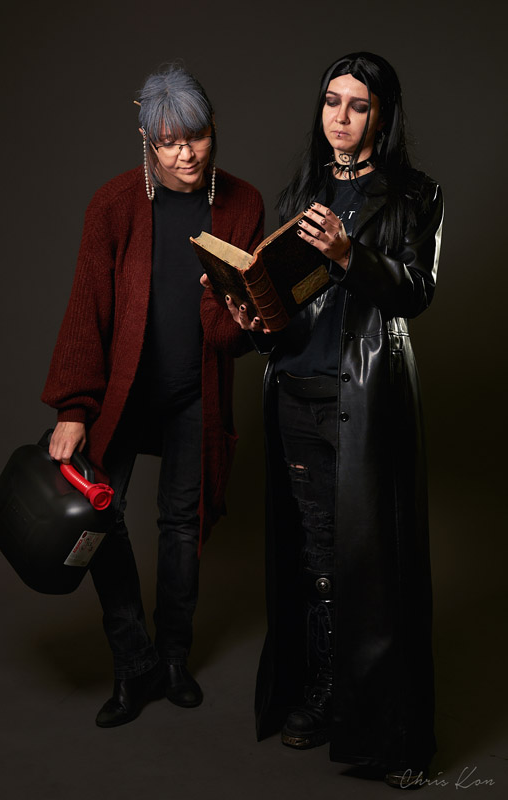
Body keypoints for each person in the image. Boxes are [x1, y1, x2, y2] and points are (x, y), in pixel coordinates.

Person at [202, 52, 443, 788]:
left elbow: (416, 290)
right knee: (315, 559)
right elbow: (292, 308)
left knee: (372, 564)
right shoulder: (302, 192)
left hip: (362, 398)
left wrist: (348, 253)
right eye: (331, 102)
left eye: (357, 105)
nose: (340, 117)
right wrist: (252, 319)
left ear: (381, 114)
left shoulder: (414, 193)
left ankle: (389, 732)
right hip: (295, 394)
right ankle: (324, 693)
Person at [42, 64, 264, 728]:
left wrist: (241, 316)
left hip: (197, 392)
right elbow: (86, 309)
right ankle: (132, 662)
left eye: (195, 137)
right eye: (169, 142)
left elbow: (233, 333)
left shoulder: (242, 205)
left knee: (181, 525)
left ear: (213, 128)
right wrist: (73, 408)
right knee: (100, 518)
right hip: (125, 390)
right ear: (147, 139)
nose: (185, 154)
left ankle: (172, 658)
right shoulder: (113, 204)